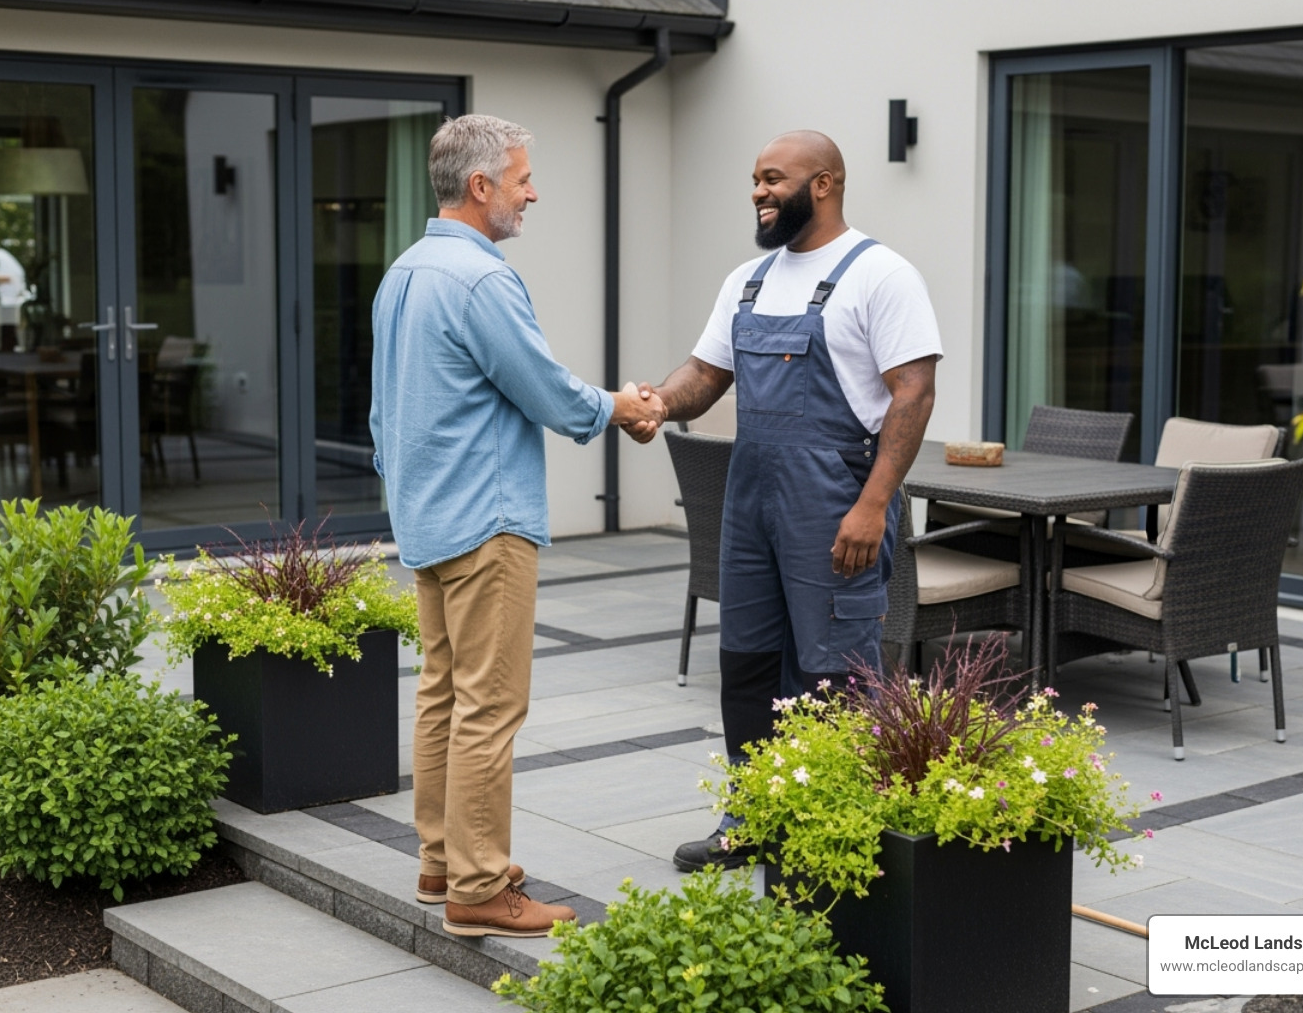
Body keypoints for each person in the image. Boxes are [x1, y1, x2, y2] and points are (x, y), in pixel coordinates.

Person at [369, 114, 667, 937]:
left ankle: (441, 861)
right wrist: (623, 405)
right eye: (523, 178)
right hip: (485, 522)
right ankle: (476, 888)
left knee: (442, 696)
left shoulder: (404, 272)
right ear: (481, 186)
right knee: (489, 708)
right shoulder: (479, 279)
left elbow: (378, 410)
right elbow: (543, 388)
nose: (532, 191)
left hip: (428, 518)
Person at [625, 130, 941, 872]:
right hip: (753, 502)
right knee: (749, 664)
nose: (760, 192)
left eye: (774, 179)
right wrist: (657, 405)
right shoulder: (750, 279)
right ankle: (754, 814)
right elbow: (706, 373)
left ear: (824, 184)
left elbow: (915, 393)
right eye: (756, 181)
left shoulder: (881, 275)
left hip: (834, 501)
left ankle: (831, 827)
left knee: (834, 670)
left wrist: (873, 506)